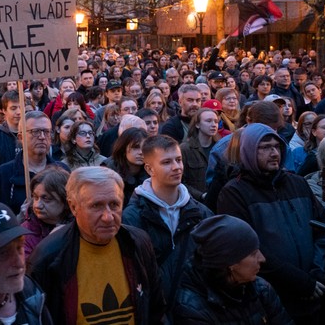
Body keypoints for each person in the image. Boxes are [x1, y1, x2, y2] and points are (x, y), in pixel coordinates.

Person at [216, 123, 325, 324]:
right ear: (248, 151)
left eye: (276, 146)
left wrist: (319, 272)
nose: (274, 153)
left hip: (314, 291)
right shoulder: (234, 192)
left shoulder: (296, 183)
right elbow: (247, 249)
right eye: (264, 148)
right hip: (272, 297)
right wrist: (297, 280)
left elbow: (323, 228)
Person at [27, 167, 165, 325]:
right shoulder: (48, 256)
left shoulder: (138, 243)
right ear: (73, 207)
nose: (108, 217)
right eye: (96, 206)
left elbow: (156, 310)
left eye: (114, 204)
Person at [122, 135, 212, 309]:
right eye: (166, 162)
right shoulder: (133, 217)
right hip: (155, 307)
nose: (176, 167)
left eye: (178, 160)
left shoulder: (200, 212)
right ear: (149, 169)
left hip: (196, 307)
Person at [172, 215, 293, 324]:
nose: (262, 258)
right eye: (253, 253)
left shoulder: (261, 289)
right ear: (230, 263)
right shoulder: (192, 310)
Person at [0, 111, 68, 212]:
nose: (42, 137)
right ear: (21, 137)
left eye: (46, 132)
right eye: (35, 131)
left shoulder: (62, 171)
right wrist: (17, 220)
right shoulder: (4, 174)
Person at [21, 166, 71, 258]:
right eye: (35, 197)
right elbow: (28, 270)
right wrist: (49, 244)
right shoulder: (25, 233)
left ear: (66, 201)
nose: (37, 205)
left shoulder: (81, 227)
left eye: (46, 199)